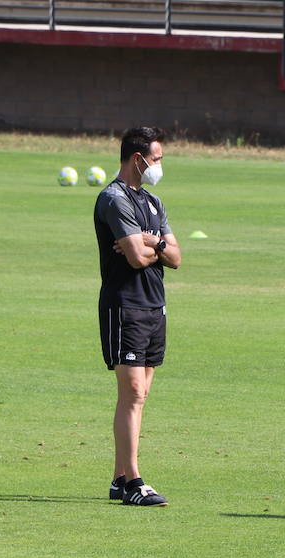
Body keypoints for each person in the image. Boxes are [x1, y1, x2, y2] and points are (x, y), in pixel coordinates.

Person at [94, 126, 181, 507]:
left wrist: (152, 241)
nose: (160, 165)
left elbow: (175, 257)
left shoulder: (154, 202)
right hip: (124, 305)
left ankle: (118, 478)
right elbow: (133, 257)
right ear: (138, 159)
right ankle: (133, 481)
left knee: (140, 395)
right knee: (131, 392)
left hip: (154, 305)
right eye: (157, 159)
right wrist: (152, 247)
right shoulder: (114, 199)